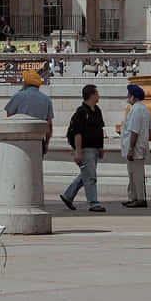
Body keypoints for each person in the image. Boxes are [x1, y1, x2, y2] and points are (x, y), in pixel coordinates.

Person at [61, 84, 106, 212]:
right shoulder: (81, 112)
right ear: (91, 95)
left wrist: (101, 147)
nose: (98, 95)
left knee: (86, 175)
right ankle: (93, 203)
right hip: (85, 149)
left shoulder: (97, 110)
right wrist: (78, 151)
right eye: (97, 93)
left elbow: (100, 130)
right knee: (91, 176)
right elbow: (77, 133)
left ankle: (67, 196)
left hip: (95, 149)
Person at [120, 84, 151, 208]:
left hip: (135, 149)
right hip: (140, 146)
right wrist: (144, 140)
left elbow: (134, 131)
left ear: (134, 96)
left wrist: (131, 148)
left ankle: (140, 199)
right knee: (133, 173)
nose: (127, 96)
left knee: (137, 175)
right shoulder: (143, 108)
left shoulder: (136, 110)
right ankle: (133, 197)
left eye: (129, 94)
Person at [5, 69, 54, 154]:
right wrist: (46, 143)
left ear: (26, 83)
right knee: (36, 166)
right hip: (39, 140)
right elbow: (49, 125)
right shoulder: (47, 100)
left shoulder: (18, 96)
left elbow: (9, 116)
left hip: (19, 140)